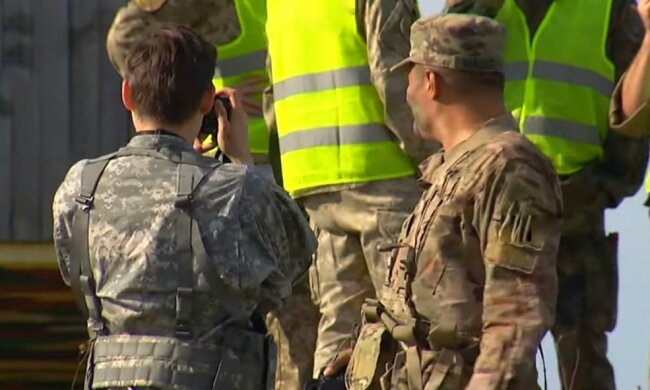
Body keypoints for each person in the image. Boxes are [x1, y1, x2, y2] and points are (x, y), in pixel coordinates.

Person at [53, 25, 315, 389]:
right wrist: (241, 161)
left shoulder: (80, 187)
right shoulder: (237, 191)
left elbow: (76, 274)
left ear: (127, 94)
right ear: (208, 101)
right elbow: (297, 260)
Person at [338, 13, 562, 389]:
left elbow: (516, 317)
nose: (405, 92)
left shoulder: (510, 169)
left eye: (408, 77)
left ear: (430, 81)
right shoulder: (454, 166)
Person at [443, 1, 650, 388]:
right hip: (489, 210)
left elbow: (634, 108)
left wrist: (603, 186)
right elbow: (438, 74)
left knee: (583, 365)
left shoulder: (609, 9)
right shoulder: (480, 6)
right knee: (489, 359)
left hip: (576, 211)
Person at [264, 0, 438, 378]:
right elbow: (392, 78)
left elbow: (271, 92)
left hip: (313, 181)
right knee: (414, 330)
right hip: (383, 176)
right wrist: (436, 157)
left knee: (340, 334)